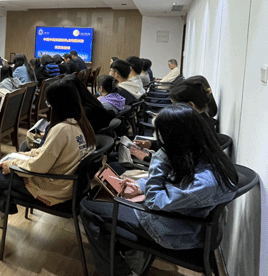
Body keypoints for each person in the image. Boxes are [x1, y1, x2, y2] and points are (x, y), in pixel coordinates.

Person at [80, 104, 238, 276]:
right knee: (106, 198)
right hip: (177, 217)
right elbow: (174, 178)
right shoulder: (203, 153)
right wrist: (140, 186)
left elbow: (154, 200)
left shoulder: (205, 182)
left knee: (88, 208)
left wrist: (160, 156)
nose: (160, 140)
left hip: (172, 229)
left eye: (162, 135)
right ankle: (132, 257)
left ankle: (121, 272)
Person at [0, 80, 96, 240]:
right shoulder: (82, 124)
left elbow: (39, 166)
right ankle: (1, 214)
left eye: (50, 103)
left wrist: (13, 164)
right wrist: (25, 155)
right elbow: (46, 153)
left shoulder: (62, 129)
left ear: (57, 104)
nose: (50, 107)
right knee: (8, 168)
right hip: (66, 185)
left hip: (52, 188)